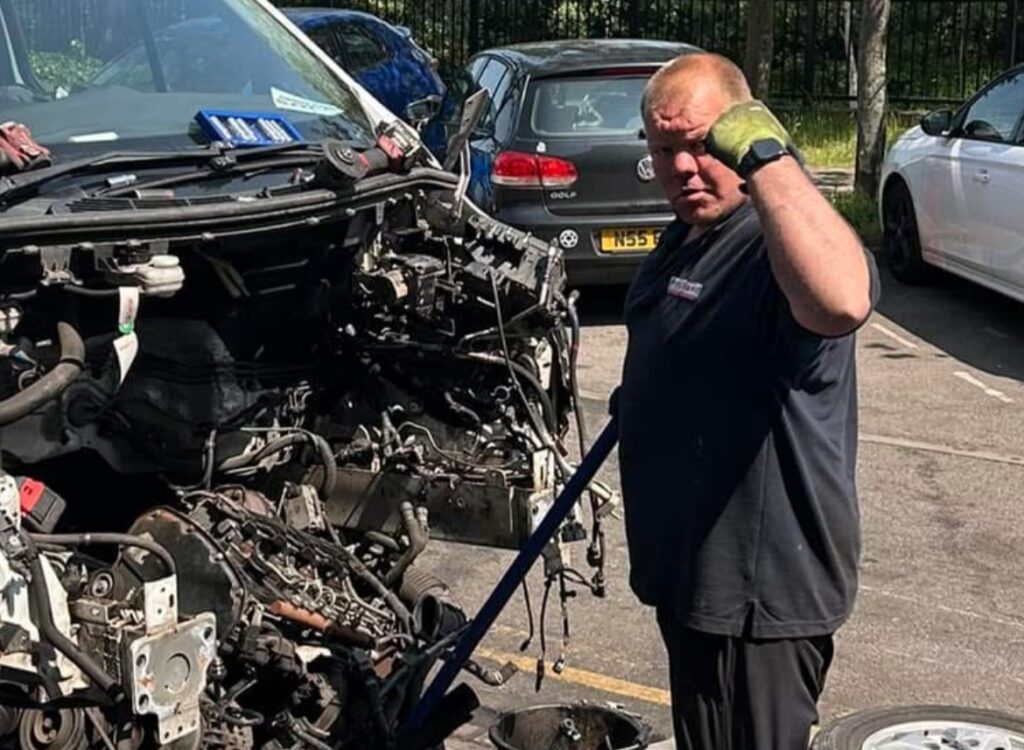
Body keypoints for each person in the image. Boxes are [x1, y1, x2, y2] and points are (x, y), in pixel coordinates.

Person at [615, 52, 879, 750]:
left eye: (703, 145)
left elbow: (842, 299)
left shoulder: (776, 242)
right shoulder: (686, 239)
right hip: (694, 583)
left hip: (757, 601)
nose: (683, 168)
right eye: (665, 149)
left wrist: (769, 157)